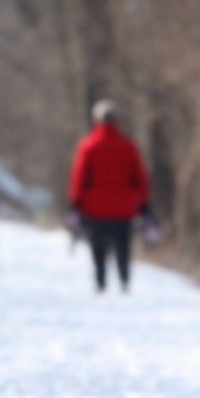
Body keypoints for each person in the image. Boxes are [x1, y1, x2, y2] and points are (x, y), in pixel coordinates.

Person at [68, 99, 152, 293]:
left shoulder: (88, 146)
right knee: (123, 244)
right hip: (123, 207)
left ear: (96, 120)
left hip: (95, 207)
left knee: (98, 246)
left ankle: (100, 281)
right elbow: (139, 178)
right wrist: (143, 202)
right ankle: (124, 280)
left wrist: (76, 203)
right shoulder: (128, 146)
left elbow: (79, 177)